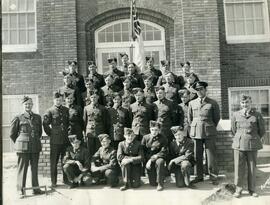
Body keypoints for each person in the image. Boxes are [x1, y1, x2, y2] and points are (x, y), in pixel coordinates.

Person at [10, 96, 45, 197]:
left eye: (30, 104)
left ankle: (36, 188)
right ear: (23, 105)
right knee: (22, 168)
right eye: (26, 104)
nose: (28, 106)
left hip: (35, 146)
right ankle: (20, 190)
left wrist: (34, 140)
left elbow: (39, 132)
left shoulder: (37, 117)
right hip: (23, 148)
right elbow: (12, 134)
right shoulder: (18, 117)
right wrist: (20, 143)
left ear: (32, 105)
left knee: (34, 169)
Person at [231, 95, 265, 198]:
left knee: (251, 168)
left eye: (247, 103)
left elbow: (261, 130)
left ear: (251, 103)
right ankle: (238, 189)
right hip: (239, 144)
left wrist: (253, 138)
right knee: (238, 167)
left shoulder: (257, 115)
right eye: (243, 103)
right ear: (240, 104)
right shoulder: (235, 114)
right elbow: (233, 130)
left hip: (252, 145)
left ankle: (252, 189)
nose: (245, 105)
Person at [188, 81, 220, 185]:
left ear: (205, 90)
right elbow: (190, 119)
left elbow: (216, 118)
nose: (199, 91)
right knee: (198, 155)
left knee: (211, 155)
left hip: (209, 131)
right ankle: (199, 176)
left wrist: (209, 126)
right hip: (196, 131)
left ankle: (213, 176)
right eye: (197, 90)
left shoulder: (213, 103)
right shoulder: (192, 103)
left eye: (201, 89)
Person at [43, 91, 70, 187]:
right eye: (57, 100)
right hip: (55, 141)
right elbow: (45, 124)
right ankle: (53, 182)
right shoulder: (49, 111)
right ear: (54, 100)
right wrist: (51, 133)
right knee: (54, 161)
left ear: (62, 100)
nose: (58, 102)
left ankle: (66, 180)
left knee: (65, 160)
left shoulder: (66, 110)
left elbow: (69, 123)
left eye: (60, 100)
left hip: (65, 140)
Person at [141, 121, 168, 191]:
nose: (154, 132)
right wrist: (145, 163)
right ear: (150, 129)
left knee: (160, 162)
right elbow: (142, 151)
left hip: (158, 158)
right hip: (148, 161)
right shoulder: (145, 138)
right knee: (152, 183)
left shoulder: (163, 138)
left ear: (159, 130)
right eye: (152, 130)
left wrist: (152, 159)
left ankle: (160, 184)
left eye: (156, 130)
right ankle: (155, 176)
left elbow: (164, 151)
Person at [83, 92, 110, 157]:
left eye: (95, 97)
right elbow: (85, 121)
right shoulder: (86, 108)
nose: (93, 99)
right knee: (90, 150)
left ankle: (98, 164)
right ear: (90, 98)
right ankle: (91, 165)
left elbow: (105, 121)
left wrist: (104, 132)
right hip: (90, 132)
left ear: (98, 97)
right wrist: (84, 132)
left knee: (99, 149)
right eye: (92, 97)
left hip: (100, 131)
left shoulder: (102, 108)